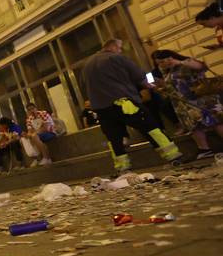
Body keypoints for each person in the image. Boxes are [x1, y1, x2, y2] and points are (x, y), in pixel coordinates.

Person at [82, 38, 183, 173]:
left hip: (102, 108)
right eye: (119, 47)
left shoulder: (87, 64)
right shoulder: (116, 58)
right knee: (150, 128)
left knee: (114, 138)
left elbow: (84, 86)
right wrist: (154, 87)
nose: (120, 50)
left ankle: (122, 167)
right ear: (112, 47)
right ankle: (173, 157)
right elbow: (140, 77)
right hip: (124, 103)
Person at [151, 49, 223, 159]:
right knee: (194, 126)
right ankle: (204, 149)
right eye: (158, 63)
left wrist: (179, 62)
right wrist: (161, 86)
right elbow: (174, 85)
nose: (160, 65)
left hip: (202, 99)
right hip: (185, 104)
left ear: (170, 58)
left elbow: (201, 67)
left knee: (216, 121)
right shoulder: (168, 71)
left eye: (161, 62)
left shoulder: (185, 63)